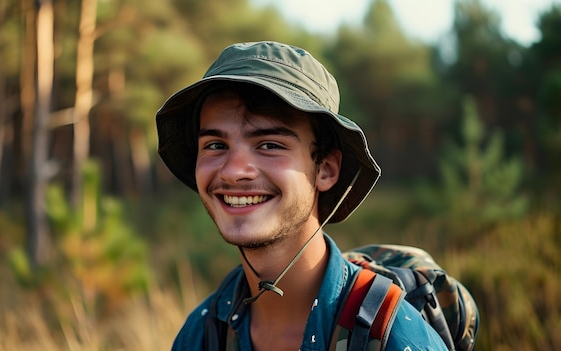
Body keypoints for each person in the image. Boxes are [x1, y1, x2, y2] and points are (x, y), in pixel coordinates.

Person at [156, 41, 448, 351]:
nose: (233, 171)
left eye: (269, 145)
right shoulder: (201, 333)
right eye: (215, 145)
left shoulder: (392, 339)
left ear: (326, 169)